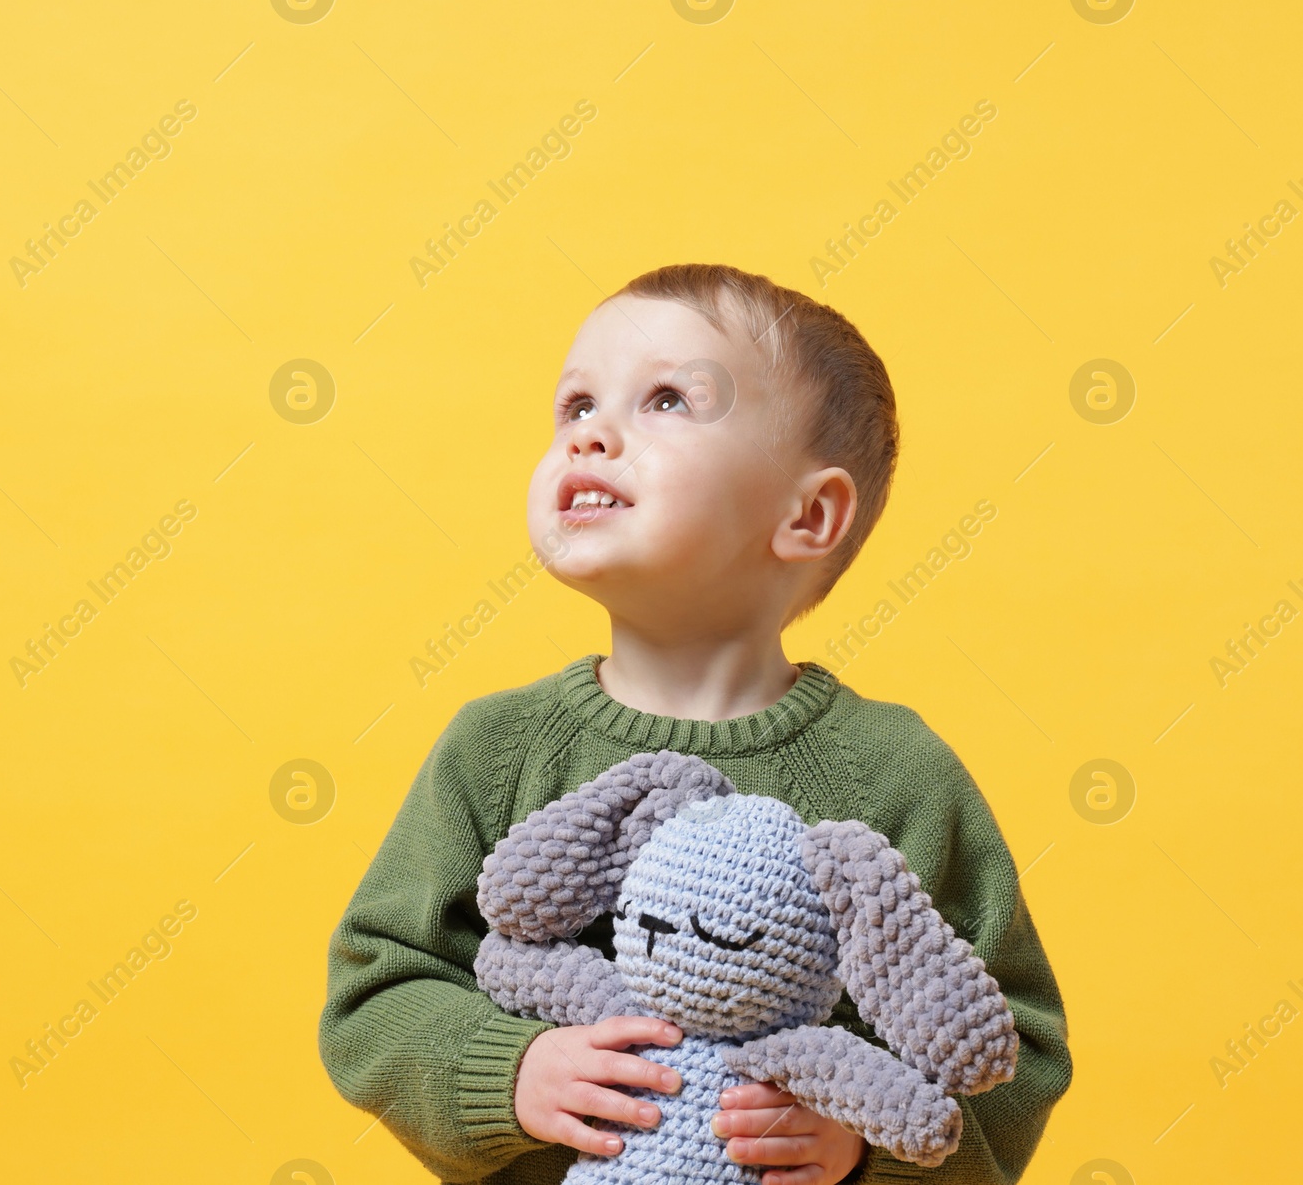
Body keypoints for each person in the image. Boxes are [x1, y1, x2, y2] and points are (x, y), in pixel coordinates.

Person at [318, 263, 1072, 1185]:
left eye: (667, 400)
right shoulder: (494, 748)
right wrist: (507, 1071)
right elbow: (375, 988)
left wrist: (866, 1148)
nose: (592, 434)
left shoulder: (894, 772)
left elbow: (1015, 1047)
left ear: (808, 514)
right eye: (576, 404)